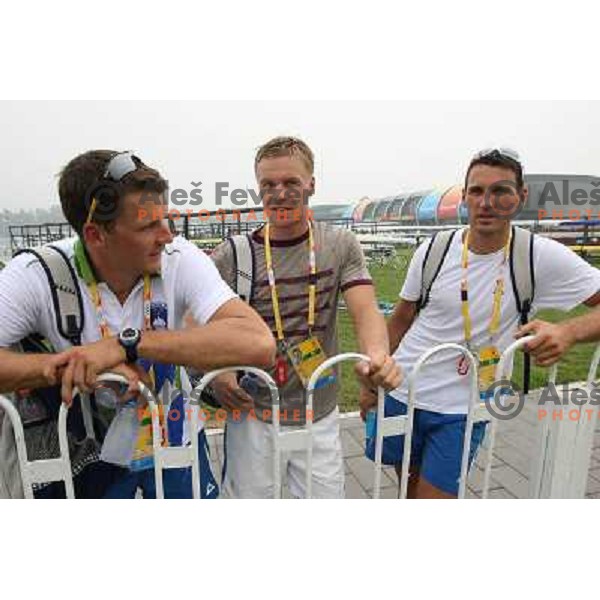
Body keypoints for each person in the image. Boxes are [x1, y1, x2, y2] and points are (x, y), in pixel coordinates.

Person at [0, 149, 275, 499]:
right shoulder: (36, 274)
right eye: (148, 226)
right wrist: (74, 367)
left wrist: (126, 344)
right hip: (85, 455)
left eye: (166, 219)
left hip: (174, 441)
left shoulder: (178, 257)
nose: (167, 235)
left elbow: (258, 343)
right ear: (96, 235)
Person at [362, 147, 600, 499]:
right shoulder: (434, 249)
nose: (486, 202)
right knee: (406, 491)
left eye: (500, 191)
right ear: (465, 197)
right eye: (476, 191)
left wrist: (567, 331)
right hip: (404, 392)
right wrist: (371, 382)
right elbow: (400, 319)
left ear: (520, 197)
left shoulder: (538, 254)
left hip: (464, 408)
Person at [207, 136, 401, 498]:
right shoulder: (234, 254)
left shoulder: (339, 244)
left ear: (312, 183)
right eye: (268, 184)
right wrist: (218, 373)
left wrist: (376, 357)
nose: (279, 193)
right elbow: (194, 315)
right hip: (253, 413)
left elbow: (365, 309)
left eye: (291, 182)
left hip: (319, 410)